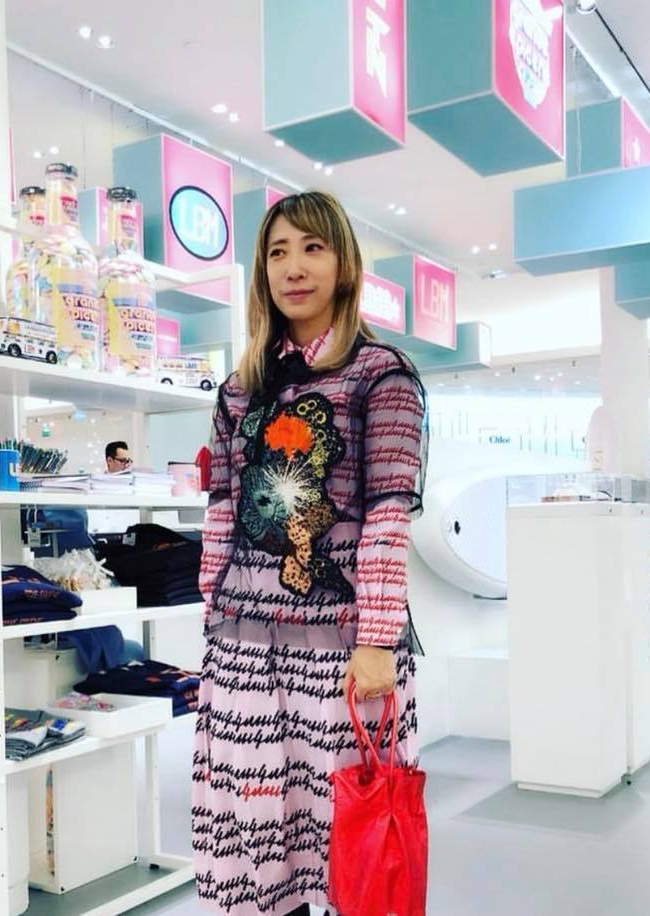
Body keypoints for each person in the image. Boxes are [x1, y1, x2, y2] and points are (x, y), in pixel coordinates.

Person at [192, 191, 427, 915]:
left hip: (341, 645)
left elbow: (388, 514)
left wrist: (377, 640)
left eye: (312, 248)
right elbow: (222, 507)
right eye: (277, 252)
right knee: (256, 828)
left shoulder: (381, 374)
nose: (294, 268)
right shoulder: (241, 389)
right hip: (245, 644)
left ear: (343, 262)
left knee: (349, 834)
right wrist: (212, 611)